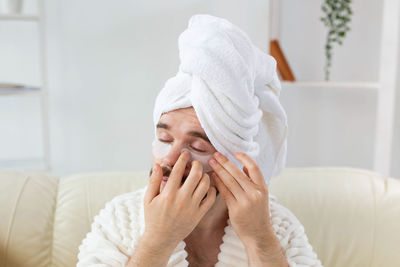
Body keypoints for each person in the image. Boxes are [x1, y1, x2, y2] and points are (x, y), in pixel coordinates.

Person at [77, 14, 323, 267]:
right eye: (164, 138)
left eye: (197, 147)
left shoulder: (276, 227)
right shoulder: (121, 219)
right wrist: (158, 240)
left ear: (235, 161)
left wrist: (259, 240)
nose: (170, 159)